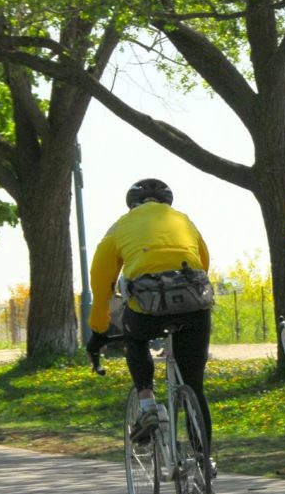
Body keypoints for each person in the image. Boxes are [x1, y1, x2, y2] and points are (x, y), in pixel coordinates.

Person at [86, 178, 214, 447]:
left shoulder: (121, 226)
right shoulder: (184, 221)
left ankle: (147, 405)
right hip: (193, 305)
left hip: (147, 306)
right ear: (167, 202)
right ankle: (204, 461)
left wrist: (99, 330)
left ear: (132, 204)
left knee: (135, 340)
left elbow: (101, 280)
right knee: (195, 384)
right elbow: (203, 262)